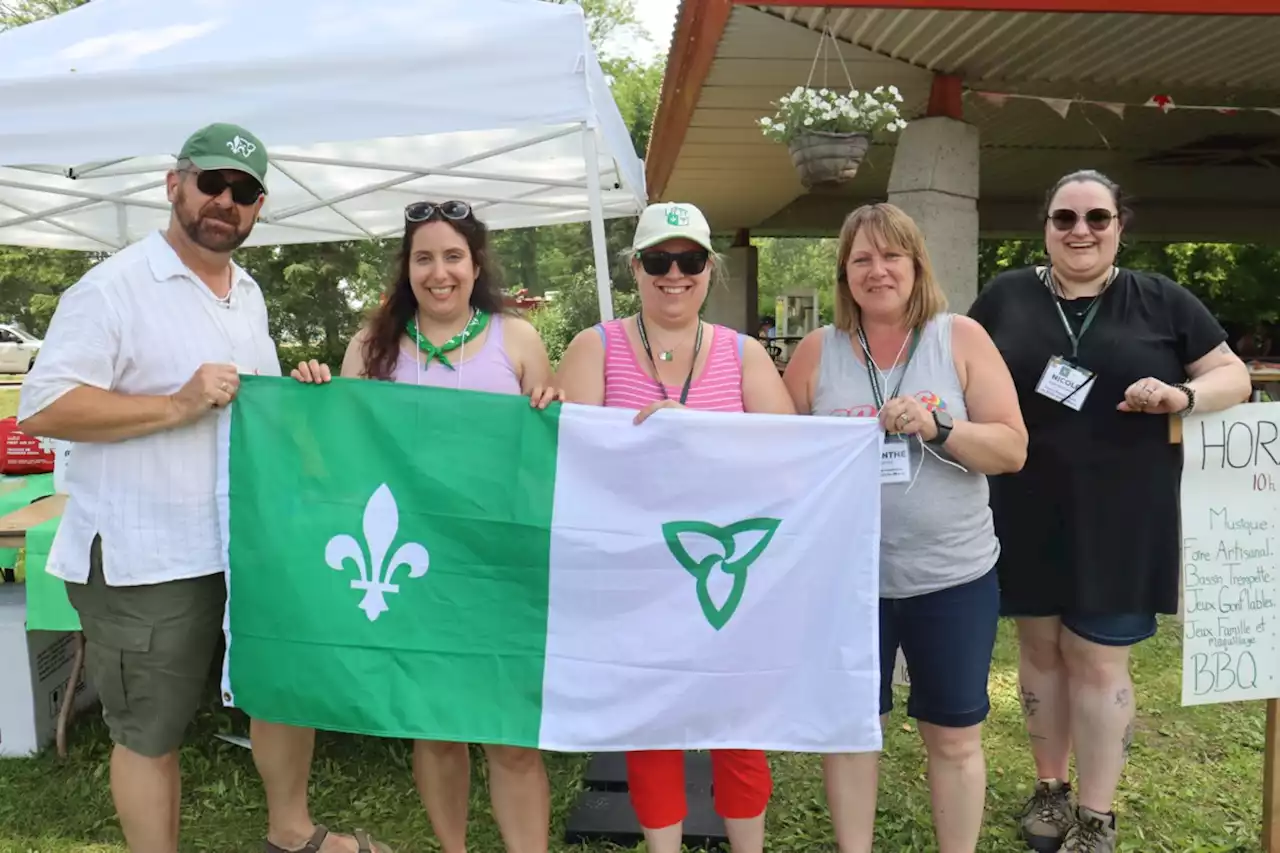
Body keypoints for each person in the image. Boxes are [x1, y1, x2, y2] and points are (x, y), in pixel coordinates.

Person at [17, 124, 392, 853]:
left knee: (281, 685)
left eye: (244, 191)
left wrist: (301, 394)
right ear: (174, 185)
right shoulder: (113, 288)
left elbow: (250, 411)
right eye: (212, 183)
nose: (226, 201)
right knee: (150, 731)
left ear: (259, 205)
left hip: (242, 542)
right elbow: (44, 406)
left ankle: (293, 834)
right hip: (146, 552)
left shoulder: (245, 293)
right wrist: (175, 405)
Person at [967, 169, 1251, 853]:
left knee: (1096, 659)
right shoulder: (1006, 296)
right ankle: (1049, 787)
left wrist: (1182, 395)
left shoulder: (1161, 298)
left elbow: (1232, 375)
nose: (1081, 231)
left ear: (1121, 225)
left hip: (1125, 511)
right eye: (1065, 218)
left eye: (1097, 217)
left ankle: (1095, 815)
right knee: (1039, 649)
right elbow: (960, 368)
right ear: (1046, 226)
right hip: (1025, 503)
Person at [290, 199, 558, 853]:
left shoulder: (516, 338)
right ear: (407, 267)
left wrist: (552, 407)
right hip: (414, 566)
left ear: (476, 264)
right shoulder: (371, 346)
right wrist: (314, 395)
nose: (439, 272)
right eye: (424, 257)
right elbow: (339, 451)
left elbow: (547, 455)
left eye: (453, 256)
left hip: (499, 563)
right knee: (435, 727)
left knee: (510, 732)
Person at [781, 202, 1026, 853]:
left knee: (952, 735)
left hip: (952, 574)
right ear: (844, 274)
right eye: (861, 258)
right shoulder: (815, 353)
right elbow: (769, 456)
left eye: (891, 255)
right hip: (846, 580)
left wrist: (938, 425)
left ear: (917, 265)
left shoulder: (960, 338)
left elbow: (1012, 448)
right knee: (854, 729)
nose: (877, 269)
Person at [552, 201, 793, 853]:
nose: (674, 273)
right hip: (636, 579)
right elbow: (566, 464)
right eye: (659, 259)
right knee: (650, 728)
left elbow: (792, 459)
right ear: (636, 267)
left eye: (689, 260)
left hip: (727, 574)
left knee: (738, 729)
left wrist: (701, 439)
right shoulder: (593, 348)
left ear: (709, 269)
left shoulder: (743, 356)